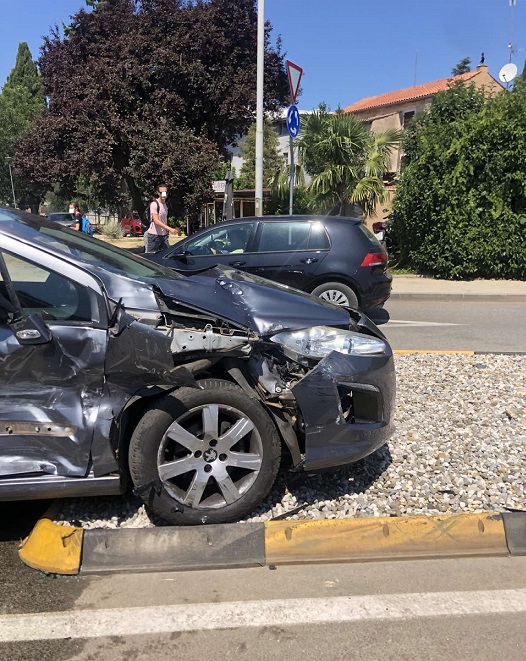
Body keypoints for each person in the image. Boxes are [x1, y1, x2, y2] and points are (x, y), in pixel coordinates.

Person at [144, 184, 178, 253]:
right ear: (158, 193)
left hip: (163, 236)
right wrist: (170, 229)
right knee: (151, 258)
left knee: (166, 256)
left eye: (165, 192)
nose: (164, 194)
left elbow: (164, 220)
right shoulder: (154, 204)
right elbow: (156, 221)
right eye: (162, 193)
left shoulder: (166, 205)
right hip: (154, 236)